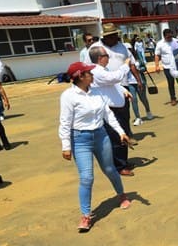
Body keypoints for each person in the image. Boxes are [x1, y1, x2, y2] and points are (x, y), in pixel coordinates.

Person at [58, 61, 131, 232]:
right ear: (80, 77)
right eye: (88, 73)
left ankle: (122, 195)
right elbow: (64, 122)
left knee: (110, 169)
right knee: (86, 177)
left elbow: (108, 114)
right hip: (80, 139)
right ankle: (86, 215)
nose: (92, 75)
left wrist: (121, 132)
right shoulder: (68, 96)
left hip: (101, 135)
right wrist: (65, 145)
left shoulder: (97, 92)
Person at [89, 44, 135, 176]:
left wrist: (124, 90)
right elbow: (116, 77)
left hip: (118, 106)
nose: (108, 58)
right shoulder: (97, 71)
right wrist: (126, 65)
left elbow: (114, 84)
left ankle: (123, 161)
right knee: (116, 137)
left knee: (123, 133)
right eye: (106, 56)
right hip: (111, 109)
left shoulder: (103, 69)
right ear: (99, 58)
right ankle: (119, 166)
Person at [126, 47, 153, 125]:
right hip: (130, 82)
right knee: (133, 99)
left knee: (143, 98)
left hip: (140, 81)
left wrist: (138, 69)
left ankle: (148, 111)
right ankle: (138, 117)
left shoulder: (138, 59)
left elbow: (144, 68)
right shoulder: (124, 61)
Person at [154, 28, 178, 106]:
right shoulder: (160, 44)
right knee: (170, 83)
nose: (170, 38)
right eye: (168, 37)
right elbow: (157, 55)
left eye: (171, 36)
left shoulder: (176, 41)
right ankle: (173, 98)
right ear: (164, 36)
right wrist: (157, 66)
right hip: (167, 67)